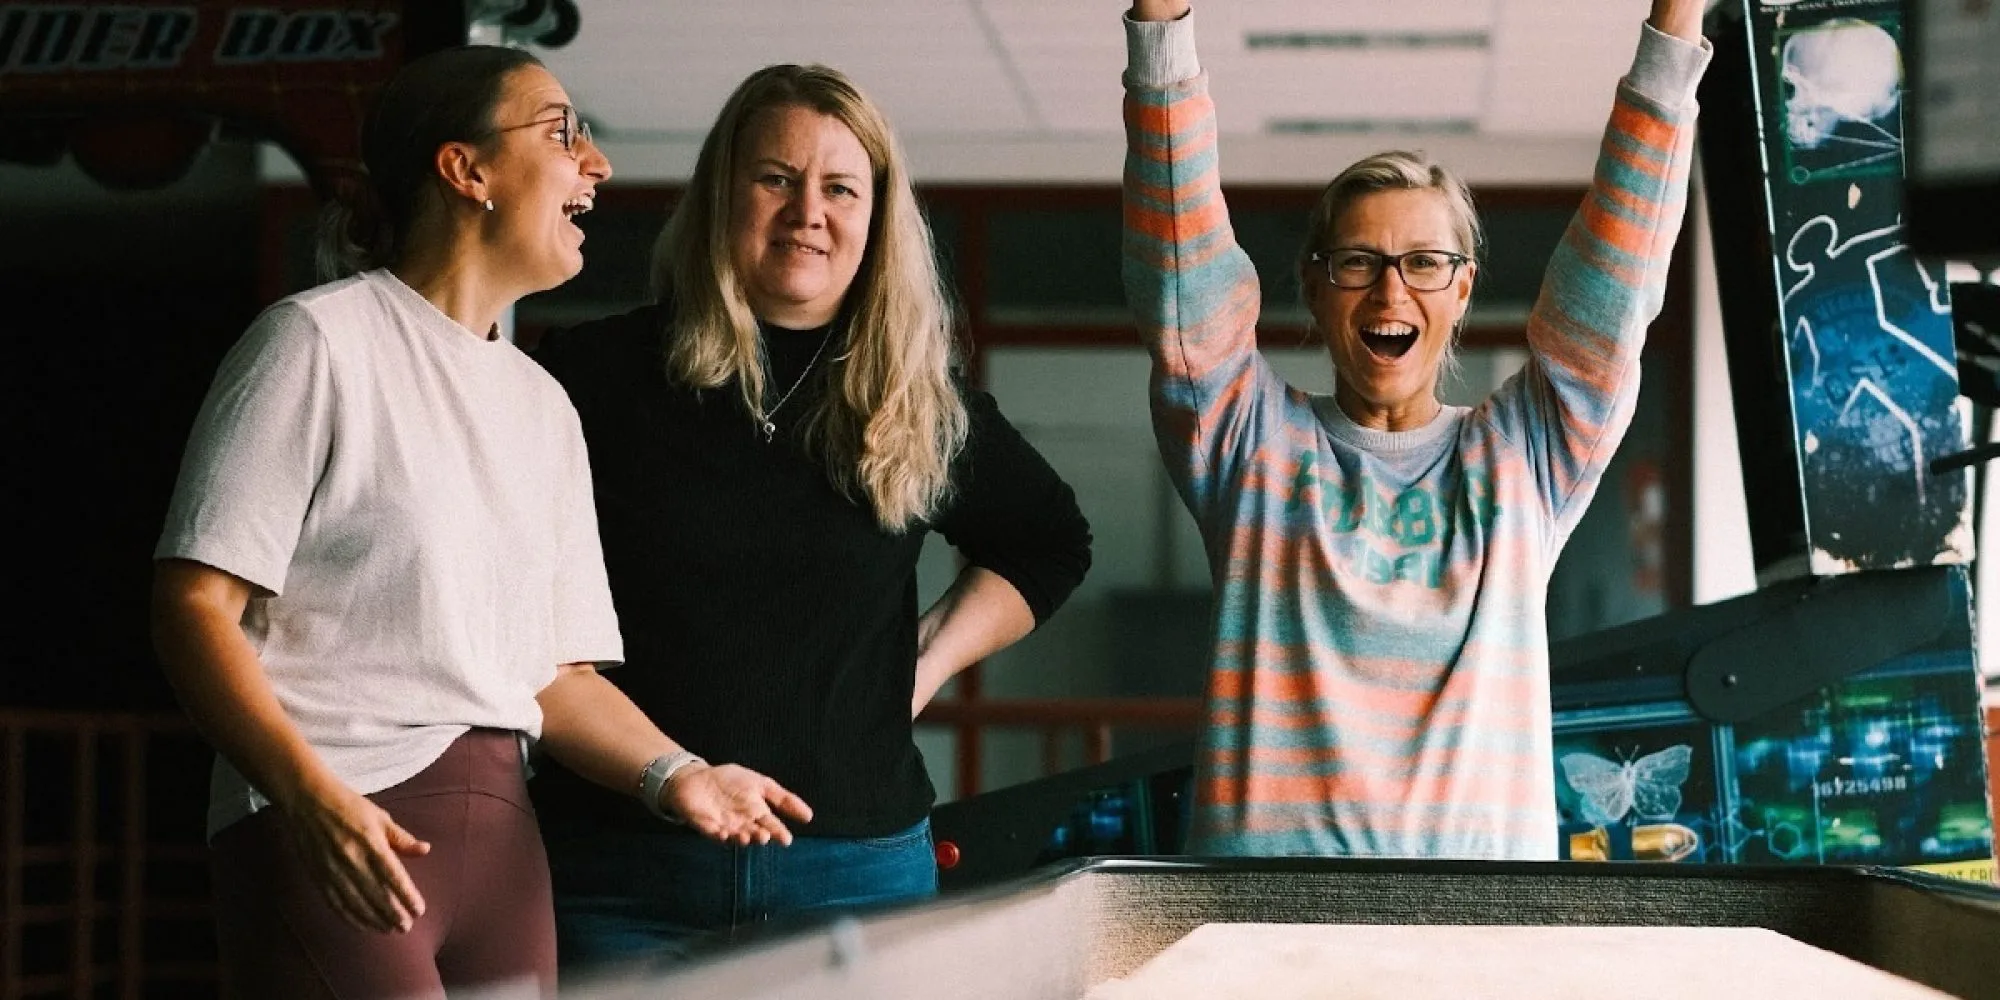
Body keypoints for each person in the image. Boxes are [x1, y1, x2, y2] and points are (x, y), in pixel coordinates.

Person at [150, 46, 808, 999]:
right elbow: (193, 605)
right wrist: (305, 797)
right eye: (562, 131)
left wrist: (681, 775)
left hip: (505, 847)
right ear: (467, 171)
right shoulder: (317, 343)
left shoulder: (543, 404)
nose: (598, 164)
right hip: (340, 823)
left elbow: (554, 677)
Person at [528, 63, 1093, 967]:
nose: (808, 212)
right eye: (775, 179)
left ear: (876, 217)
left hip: (855, 869)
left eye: (839, 187)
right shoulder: (595, 375)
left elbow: (1049, 543)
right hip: (621, 867)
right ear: (722, 193)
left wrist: (927, 661)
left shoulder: (914, 400)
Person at [1120, 0, 1710, 859]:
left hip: (1476, 939)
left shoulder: (1522, 457)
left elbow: (1612, 293)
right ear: (1316, 292)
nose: (1391, 293)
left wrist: (1678, 19)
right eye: (1357, 263)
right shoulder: (1251, 446)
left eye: (1425, 264)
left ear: (1462, 291)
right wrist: (1161, 24)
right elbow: (1181, 275)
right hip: (1264, 934)